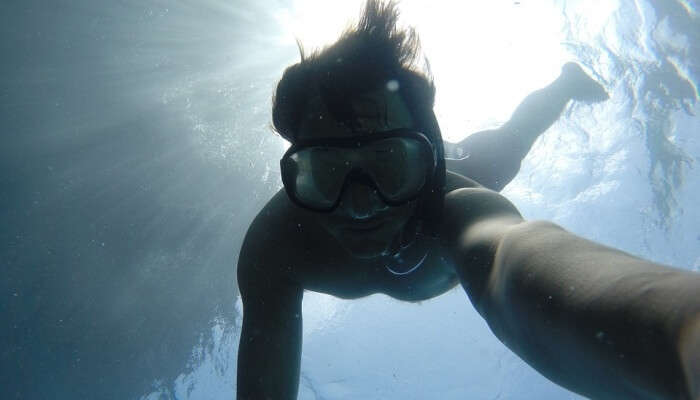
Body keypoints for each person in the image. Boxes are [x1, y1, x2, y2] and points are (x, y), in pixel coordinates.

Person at [236, 1, 700, 399]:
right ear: (296, 170)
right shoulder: (274, 249)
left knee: (511, 142)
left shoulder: (460, 207)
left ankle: (563, 84)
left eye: (389, 163)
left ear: (429, 158)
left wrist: (682, 335)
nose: (360, 205)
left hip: (471, 161)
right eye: (326, 173)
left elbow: (511, 254)